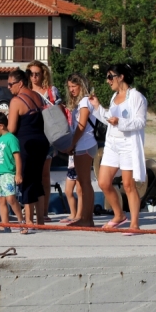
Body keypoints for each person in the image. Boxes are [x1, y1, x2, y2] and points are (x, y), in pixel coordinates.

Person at [89, 64, 147, 233]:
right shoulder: (114, 96)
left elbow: (140, 122)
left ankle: (134, 223)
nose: (108, 81)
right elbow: (109, 118)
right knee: (103, 182)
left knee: (128, 184)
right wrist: (98, 107)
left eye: (110, 77)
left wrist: (120, 122)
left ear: (121, 77)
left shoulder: (136, 97)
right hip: (112, 144)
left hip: (128, 144)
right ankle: (119, 215)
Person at [6, 68, 50, 227]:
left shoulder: (16, 101)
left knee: (26, 181)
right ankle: (40, 220)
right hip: (42, 142)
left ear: (20, 83)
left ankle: (29, 220)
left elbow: (11, 129)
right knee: (37, 180)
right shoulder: (37, 96)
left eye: (11, 84)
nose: (9, 88)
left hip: (26, 144)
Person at [27, 60, 60, 221]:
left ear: (43, 74)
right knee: (31, 174)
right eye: (31, 74)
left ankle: (44, 211)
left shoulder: (51, 91)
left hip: (48, 134)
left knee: (44, 175)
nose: (34, 77)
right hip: (31, 134)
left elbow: (60, 108)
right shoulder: (25, 90)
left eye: (37, 74)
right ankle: (32, 211)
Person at [62, 73, 97, 227]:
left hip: (85, 144)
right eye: (69, 87)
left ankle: (87, 219)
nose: (71, 90)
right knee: (83, 183)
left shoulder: (84, 102)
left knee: (84, 183)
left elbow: (81, 126)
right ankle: (85, 217)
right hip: (84, 144)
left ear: (81, 86)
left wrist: (72, 144)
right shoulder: (84, 101)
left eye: (74, 86)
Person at [0, 112, 27, 234]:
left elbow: (17, 157)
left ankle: (22, 223)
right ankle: (5, 225)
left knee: (11, 199)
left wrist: (18, 174)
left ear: (1, 125)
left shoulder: (11, 139)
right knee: (0, 200)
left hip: (8, 173)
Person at [60, 156, 81, 224]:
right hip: (72, 166)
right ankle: (73, 214)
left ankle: (79, 215)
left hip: (81, 164)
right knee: (68, 191)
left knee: (80, 191)